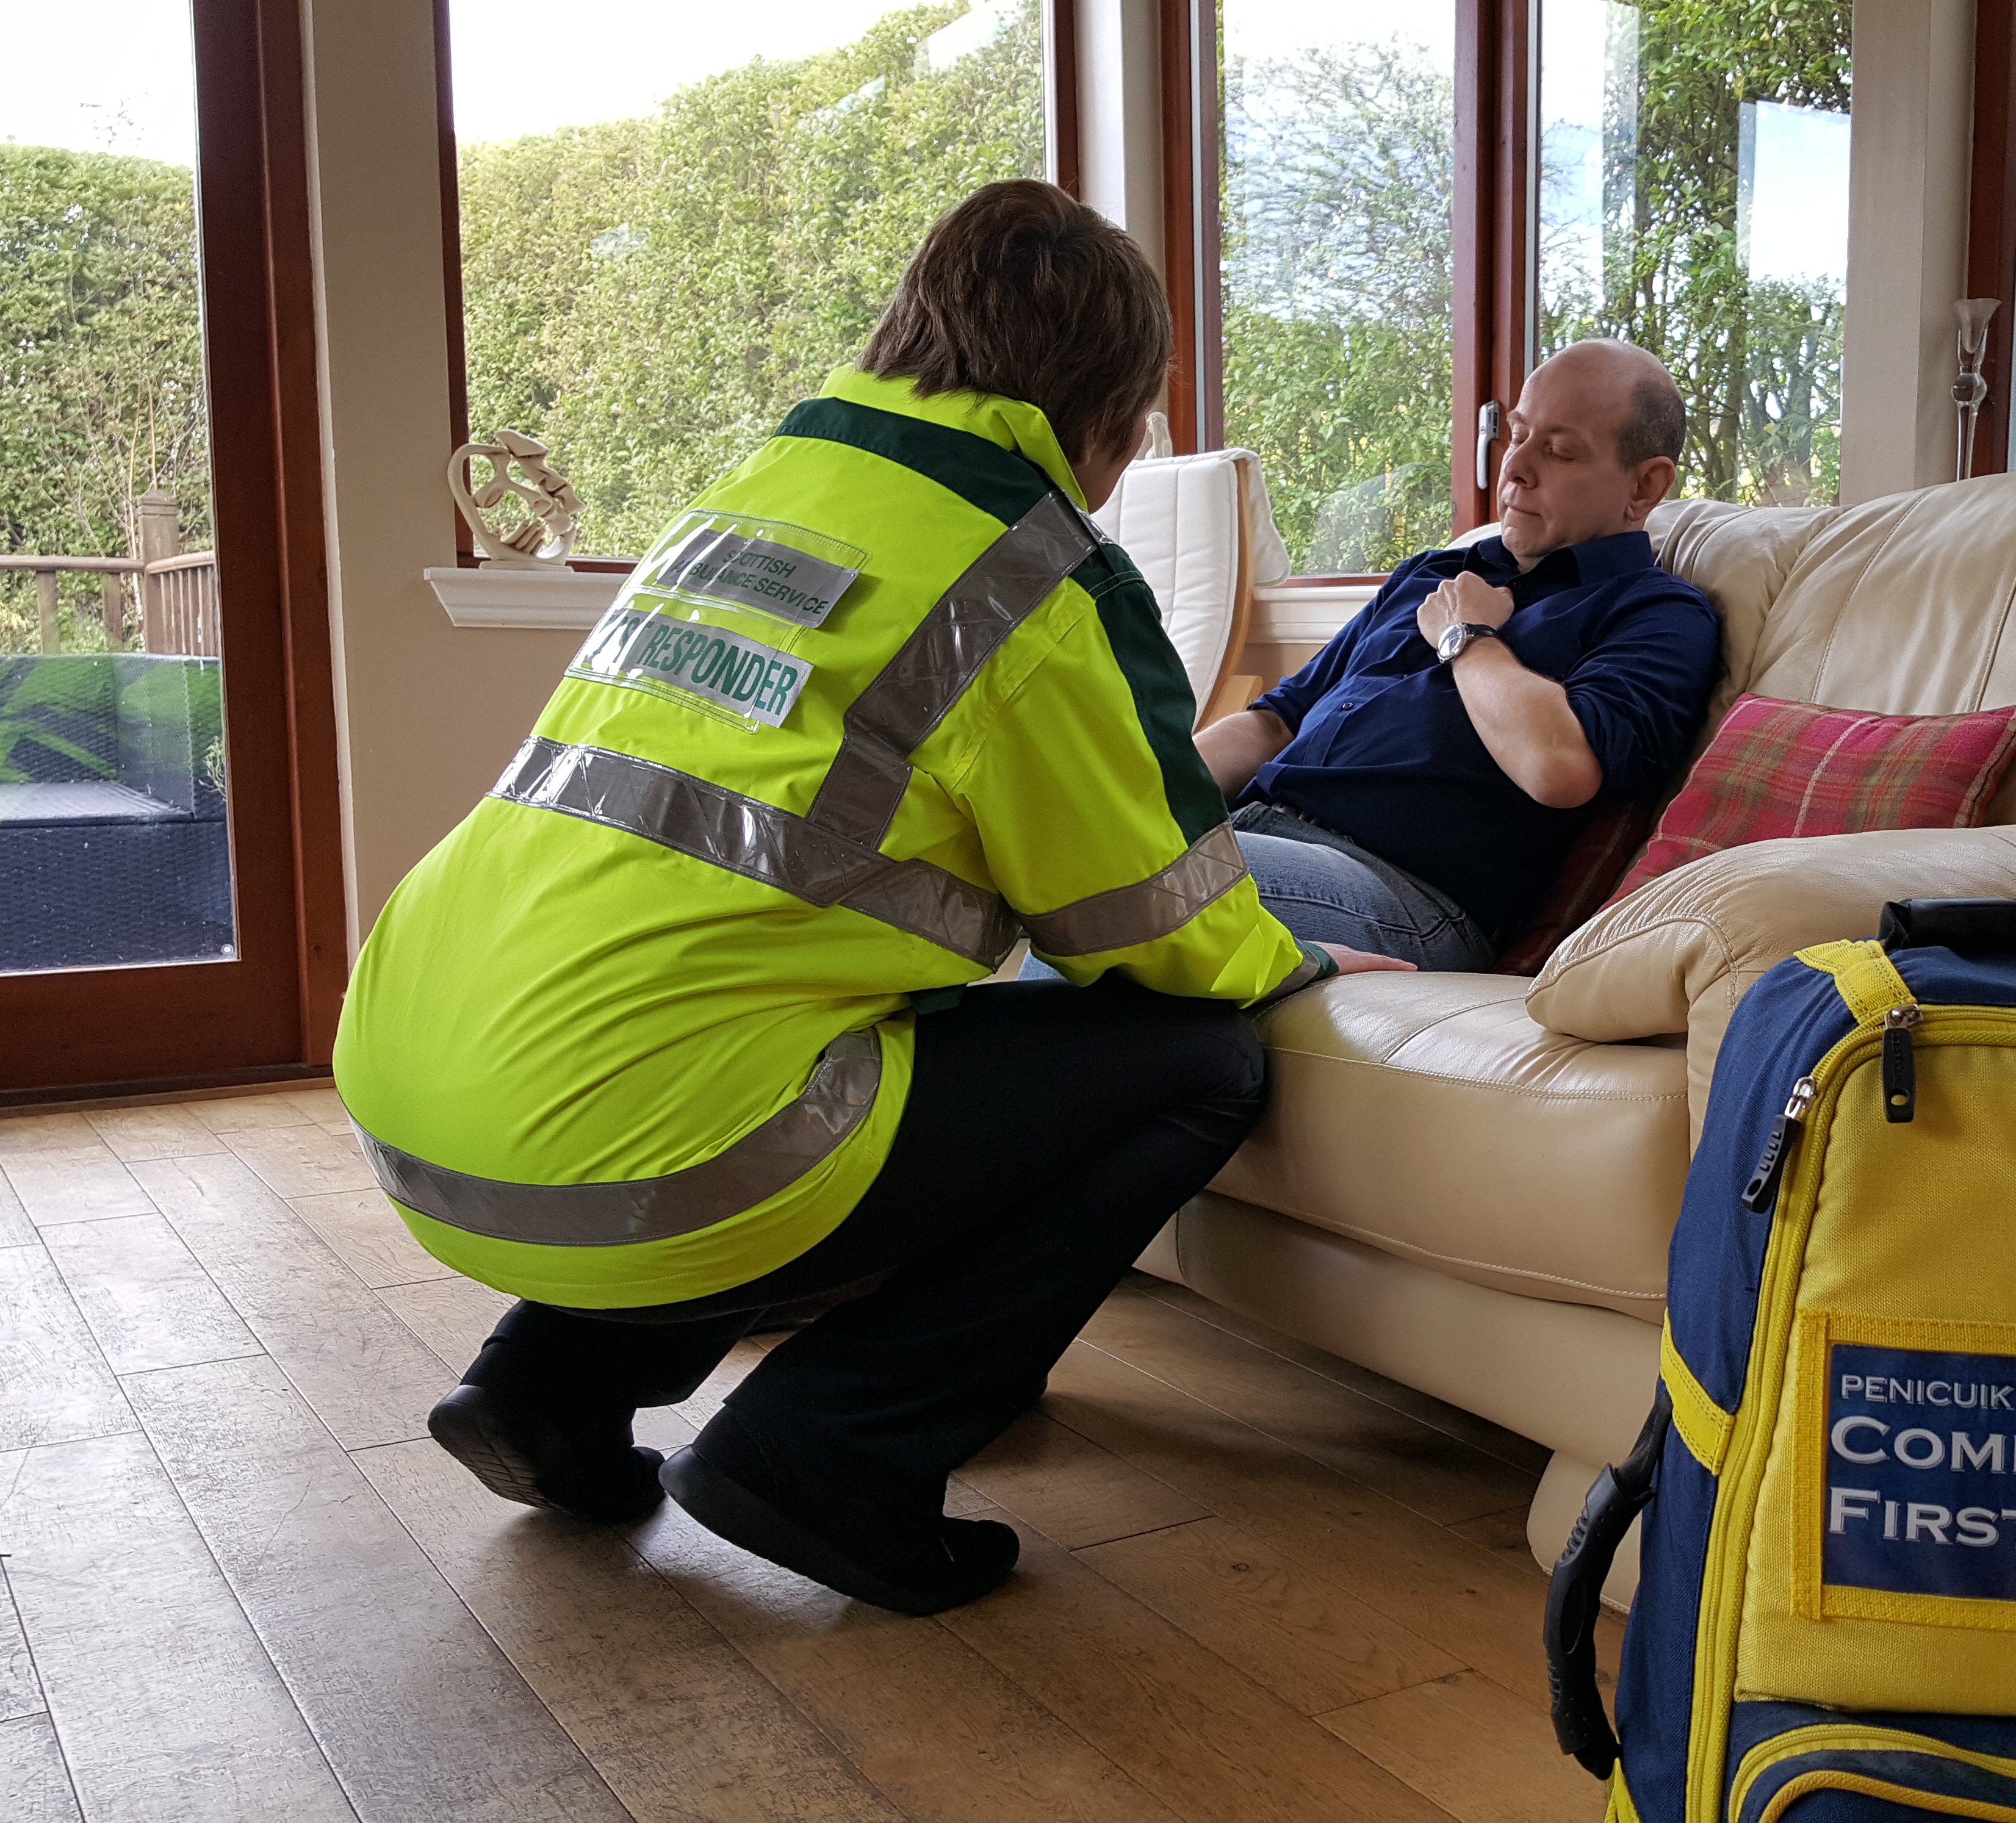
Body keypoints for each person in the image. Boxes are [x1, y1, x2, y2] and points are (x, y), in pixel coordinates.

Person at [331, 180, 1409, 1617]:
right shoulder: (1033, 579)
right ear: (1112, 418)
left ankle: (548, 1381)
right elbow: (1161, 930)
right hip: (626, 1151)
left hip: (415, 1104)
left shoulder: (760, 492)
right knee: (1191, 1063)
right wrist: (1300, 962)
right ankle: (831, 1451)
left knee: (763, 1030)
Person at [1192, 342, 1719, 969]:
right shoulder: (1433, 573)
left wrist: (1466, 637)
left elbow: (1558, 767)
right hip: (1253, 829)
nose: (1515, 469)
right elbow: (1275, 720)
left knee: (1121, 877)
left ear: (1645, 484)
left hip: (1400, 892)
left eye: (1557, 450)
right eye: (1517, 436)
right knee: (1089, 855)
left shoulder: (1654, 613)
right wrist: (1143, 786)